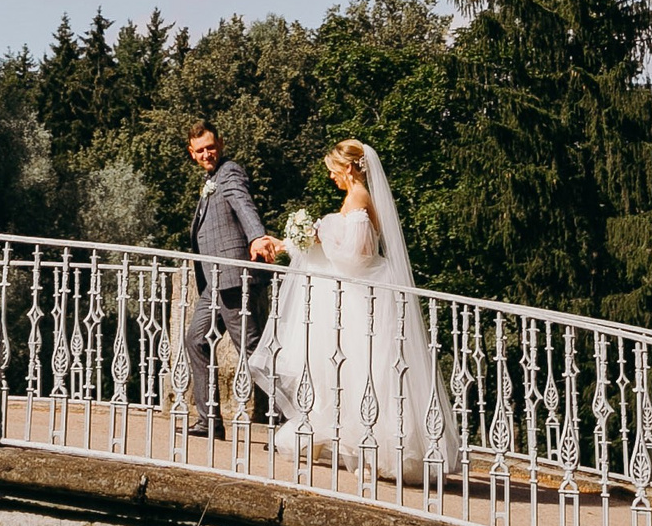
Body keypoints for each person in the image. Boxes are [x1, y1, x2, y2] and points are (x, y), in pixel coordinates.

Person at [254, 139, 458, 485]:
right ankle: (339, 437)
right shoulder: (354, 198)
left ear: (349, 168)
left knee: (364, 370)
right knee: (341, 370)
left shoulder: (360, 197)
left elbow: (359, 256)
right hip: (347, 296)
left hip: (361, 298)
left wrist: (317, 236)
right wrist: (292, 242)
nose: (331, 177)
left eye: (334, 170)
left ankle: (373, 447)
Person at [183, 121, 277, 434]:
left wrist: (257, 237)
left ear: (220, 144)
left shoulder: (230, 172)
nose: (206, 154)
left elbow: (243, 205)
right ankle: (209, 419)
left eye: (210, 147)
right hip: (215, 281)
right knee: (196, 340)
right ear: (192, 153)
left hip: (235, 277)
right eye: (200, 150)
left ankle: (290, 421)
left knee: (252, 351)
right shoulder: (211, 178)